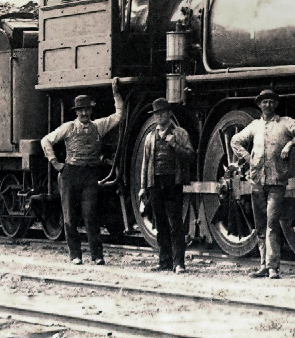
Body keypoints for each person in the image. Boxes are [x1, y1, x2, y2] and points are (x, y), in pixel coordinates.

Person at [230, 89, 295, 279]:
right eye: (264, 102)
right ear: (259, 105)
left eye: (271, 102)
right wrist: (247, 158)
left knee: (272, 223)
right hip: (257, 180)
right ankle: (263, 265)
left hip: (276, 181)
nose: (268, 105)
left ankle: (273, 266)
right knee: (260, 225)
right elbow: (236, 141)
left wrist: (291, 144)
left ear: (276, 105)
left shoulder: (285, 123)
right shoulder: (255, 126)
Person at [42, 79, 125, 265]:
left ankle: (97, 256)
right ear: (77, 112)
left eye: (87, 109)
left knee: (90, 215)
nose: (85, 113)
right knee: (70, 217)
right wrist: (55, 163)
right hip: (70, 174)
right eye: (81, 110)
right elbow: (46, 140)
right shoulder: (69, 127)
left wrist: (116, 94)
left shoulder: (98, 126)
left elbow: (119, 115)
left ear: (91, 111)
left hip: (89, 175)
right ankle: (75, 256)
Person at [137, 97, 193, 273]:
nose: (159, 117)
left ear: (169, 114)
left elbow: (190, 156)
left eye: (162, 113)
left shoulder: (180, 134)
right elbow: (146, 163)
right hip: (155, 183)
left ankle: (179, 263)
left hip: (173, 182)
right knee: (160, 224)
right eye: (156, 114)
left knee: (176, 224)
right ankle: (164, 262)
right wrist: (143, 187)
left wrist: (175, 145)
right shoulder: (150, 137)